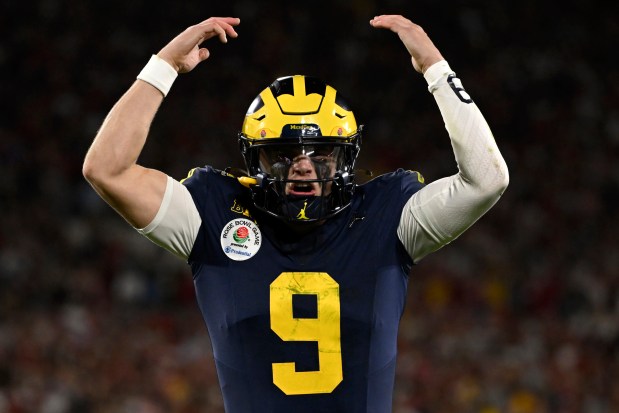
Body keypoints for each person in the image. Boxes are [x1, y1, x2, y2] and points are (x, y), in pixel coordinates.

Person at [83, 14, 509, 413]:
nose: (303, 165)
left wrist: (435, 68)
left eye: (321, 152)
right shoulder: (215, 212)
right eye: (283, 154)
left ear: (345, 156)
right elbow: (107, 169)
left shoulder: (385, 216)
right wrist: (163, 67)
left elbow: (487, 180)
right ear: (256, 160)